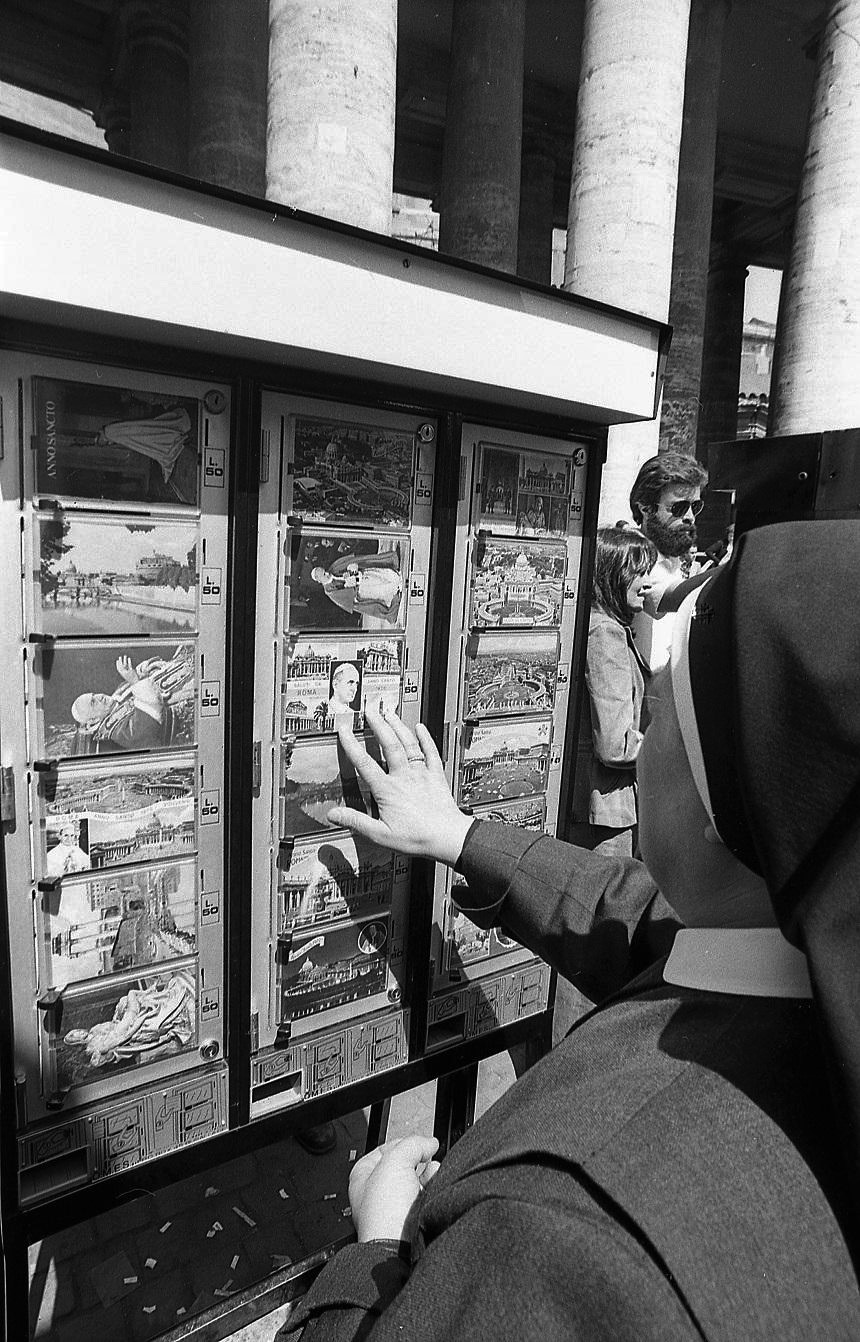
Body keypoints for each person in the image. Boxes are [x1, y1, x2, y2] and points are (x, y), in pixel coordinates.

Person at [277, 521, 860, 1342]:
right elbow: (638, 916)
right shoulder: (795, 959)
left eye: (660, 719)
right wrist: (459, 834)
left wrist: (372, 1252)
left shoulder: (559, 1230)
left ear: (725, 812)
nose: (642, 748)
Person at [570, 525, 656, 859]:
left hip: (603, 806)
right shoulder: (606, 633)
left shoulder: (602, 625)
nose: (647, 582)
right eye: (637, 572)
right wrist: (666, 746)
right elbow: (615, 744)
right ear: (610, 575)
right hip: (608, 812)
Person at [628, 451, 708, 671]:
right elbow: (664, 599)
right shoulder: (630, 552)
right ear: (645, 508)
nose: (690, 517)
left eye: (695, 507)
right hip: (640, 688)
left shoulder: (674, 557)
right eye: (679, 508)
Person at [310, 550, 403, 622]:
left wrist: (352, 569)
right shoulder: (329, 591)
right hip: (361, 590)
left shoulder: (333, 568)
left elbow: (351, 562)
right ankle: (395, 593)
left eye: (325, 571)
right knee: (381, 588)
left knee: (381, 576)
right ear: (319, 580)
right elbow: (347, 599)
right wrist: (349, 584)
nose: (327, 573)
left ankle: (396, 578)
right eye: (324, 574)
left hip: (362, 576)